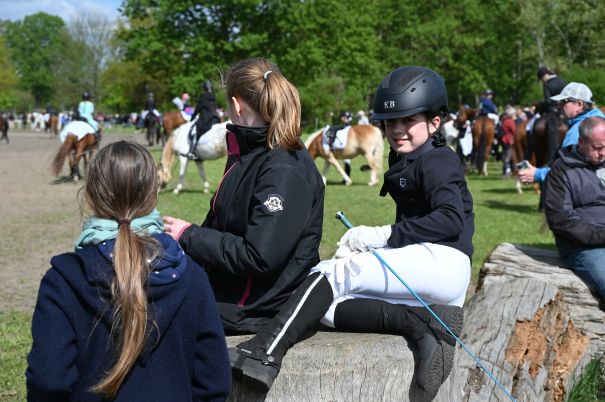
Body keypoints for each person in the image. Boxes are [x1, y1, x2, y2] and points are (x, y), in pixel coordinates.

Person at [228, 66, 474, 395]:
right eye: (389, 122)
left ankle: (265, 352)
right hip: (429, 271)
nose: (396, 130)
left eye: (408, 120)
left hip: (444, 263)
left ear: (435, 122)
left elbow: (450, 219)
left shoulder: (438, 160)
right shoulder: (409, 157)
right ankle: (420, 322)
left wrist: (382, 236)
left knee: (331, 274)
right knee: (322, 305)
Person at [26, 141, 231, 401]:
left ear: (90, 195)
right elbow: (214, 382)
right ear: (153, 195)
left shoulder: (63, 281)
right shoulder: (192, 277)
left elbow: (48, 381)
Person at [162, 57, 325, 334]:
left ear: (236, 105)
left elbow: (259, 256)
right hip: (234, 290)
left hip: (257, 306)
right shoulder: (249, 152)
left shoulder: (282, 168)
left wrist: (189, 236)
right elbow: (221, 223)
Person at [543, 116, 605, 309]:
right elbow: (560, 220)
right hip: (583, 246)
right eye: (597, 148)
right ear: (581, 142)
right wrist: (600, 236)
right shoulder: (561, 172)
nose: (603, 153)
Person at [519, 82, 605, 184]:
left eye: (564, 102)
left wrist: (537, 174)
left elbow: (566, 169)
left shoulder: (577, 131)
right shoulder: (599, 120)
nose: (559, 106)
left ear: (579, 104)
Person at [187, 80, 220, 160]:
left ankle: (191, 152)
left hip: (206, 120)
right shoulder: (213, 96)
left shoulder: (203, 97)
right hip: (215, 119)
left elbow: (198, 108)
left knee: (195, 131)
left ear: (204, 88)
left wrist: (192, 118)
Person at [500, 105, 517, 176]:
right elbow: (514, 131)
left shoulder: (504, 120)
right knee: (508, 156)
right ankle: (507, 172)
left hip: (504, 139)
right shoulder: (510, 121)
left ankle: (509, 171)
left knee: (507, 155)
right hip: (509, 140)